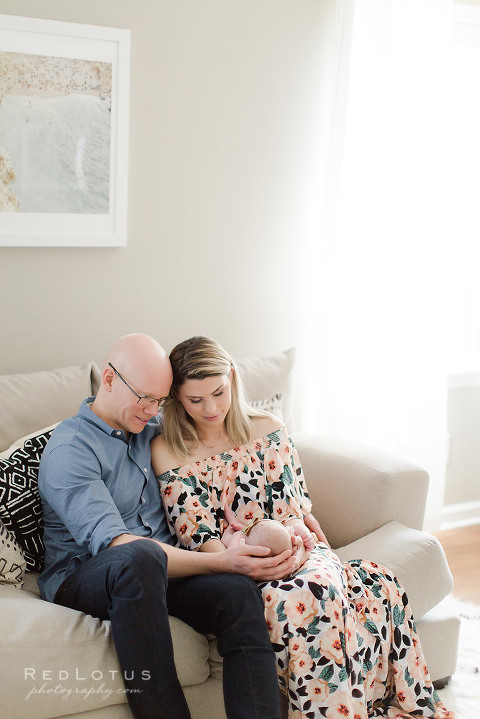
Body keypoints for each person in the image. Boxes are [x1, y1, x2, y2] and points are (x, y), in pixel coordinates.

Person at [152, 335, 454, 719]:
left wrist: (295, 550)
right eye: (196, 400)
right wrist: (243, 562)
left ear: (232, 378)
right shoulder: (167, 450)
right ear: (178, 397)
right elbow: (196, 534)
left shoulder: (267, 429)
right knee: (285, 602)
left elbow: (292, 511)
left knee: (319, 586)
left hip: (298, 547)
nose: (211, 408)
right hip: (234, 562)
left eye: (218, 392)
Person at [38, 333, 300, 719]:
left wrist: (289, 515)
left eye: (160, 400)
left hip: (160, 571)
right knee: (139, 555)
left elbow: (218, 451)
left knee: (237, 592)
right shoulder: (70, 450)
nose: (152, 410)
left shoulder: (154, 430)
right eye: (144, 397)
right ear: (109, 380)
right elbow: (117, 546)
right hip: (86, 577)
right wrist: (222, 561)